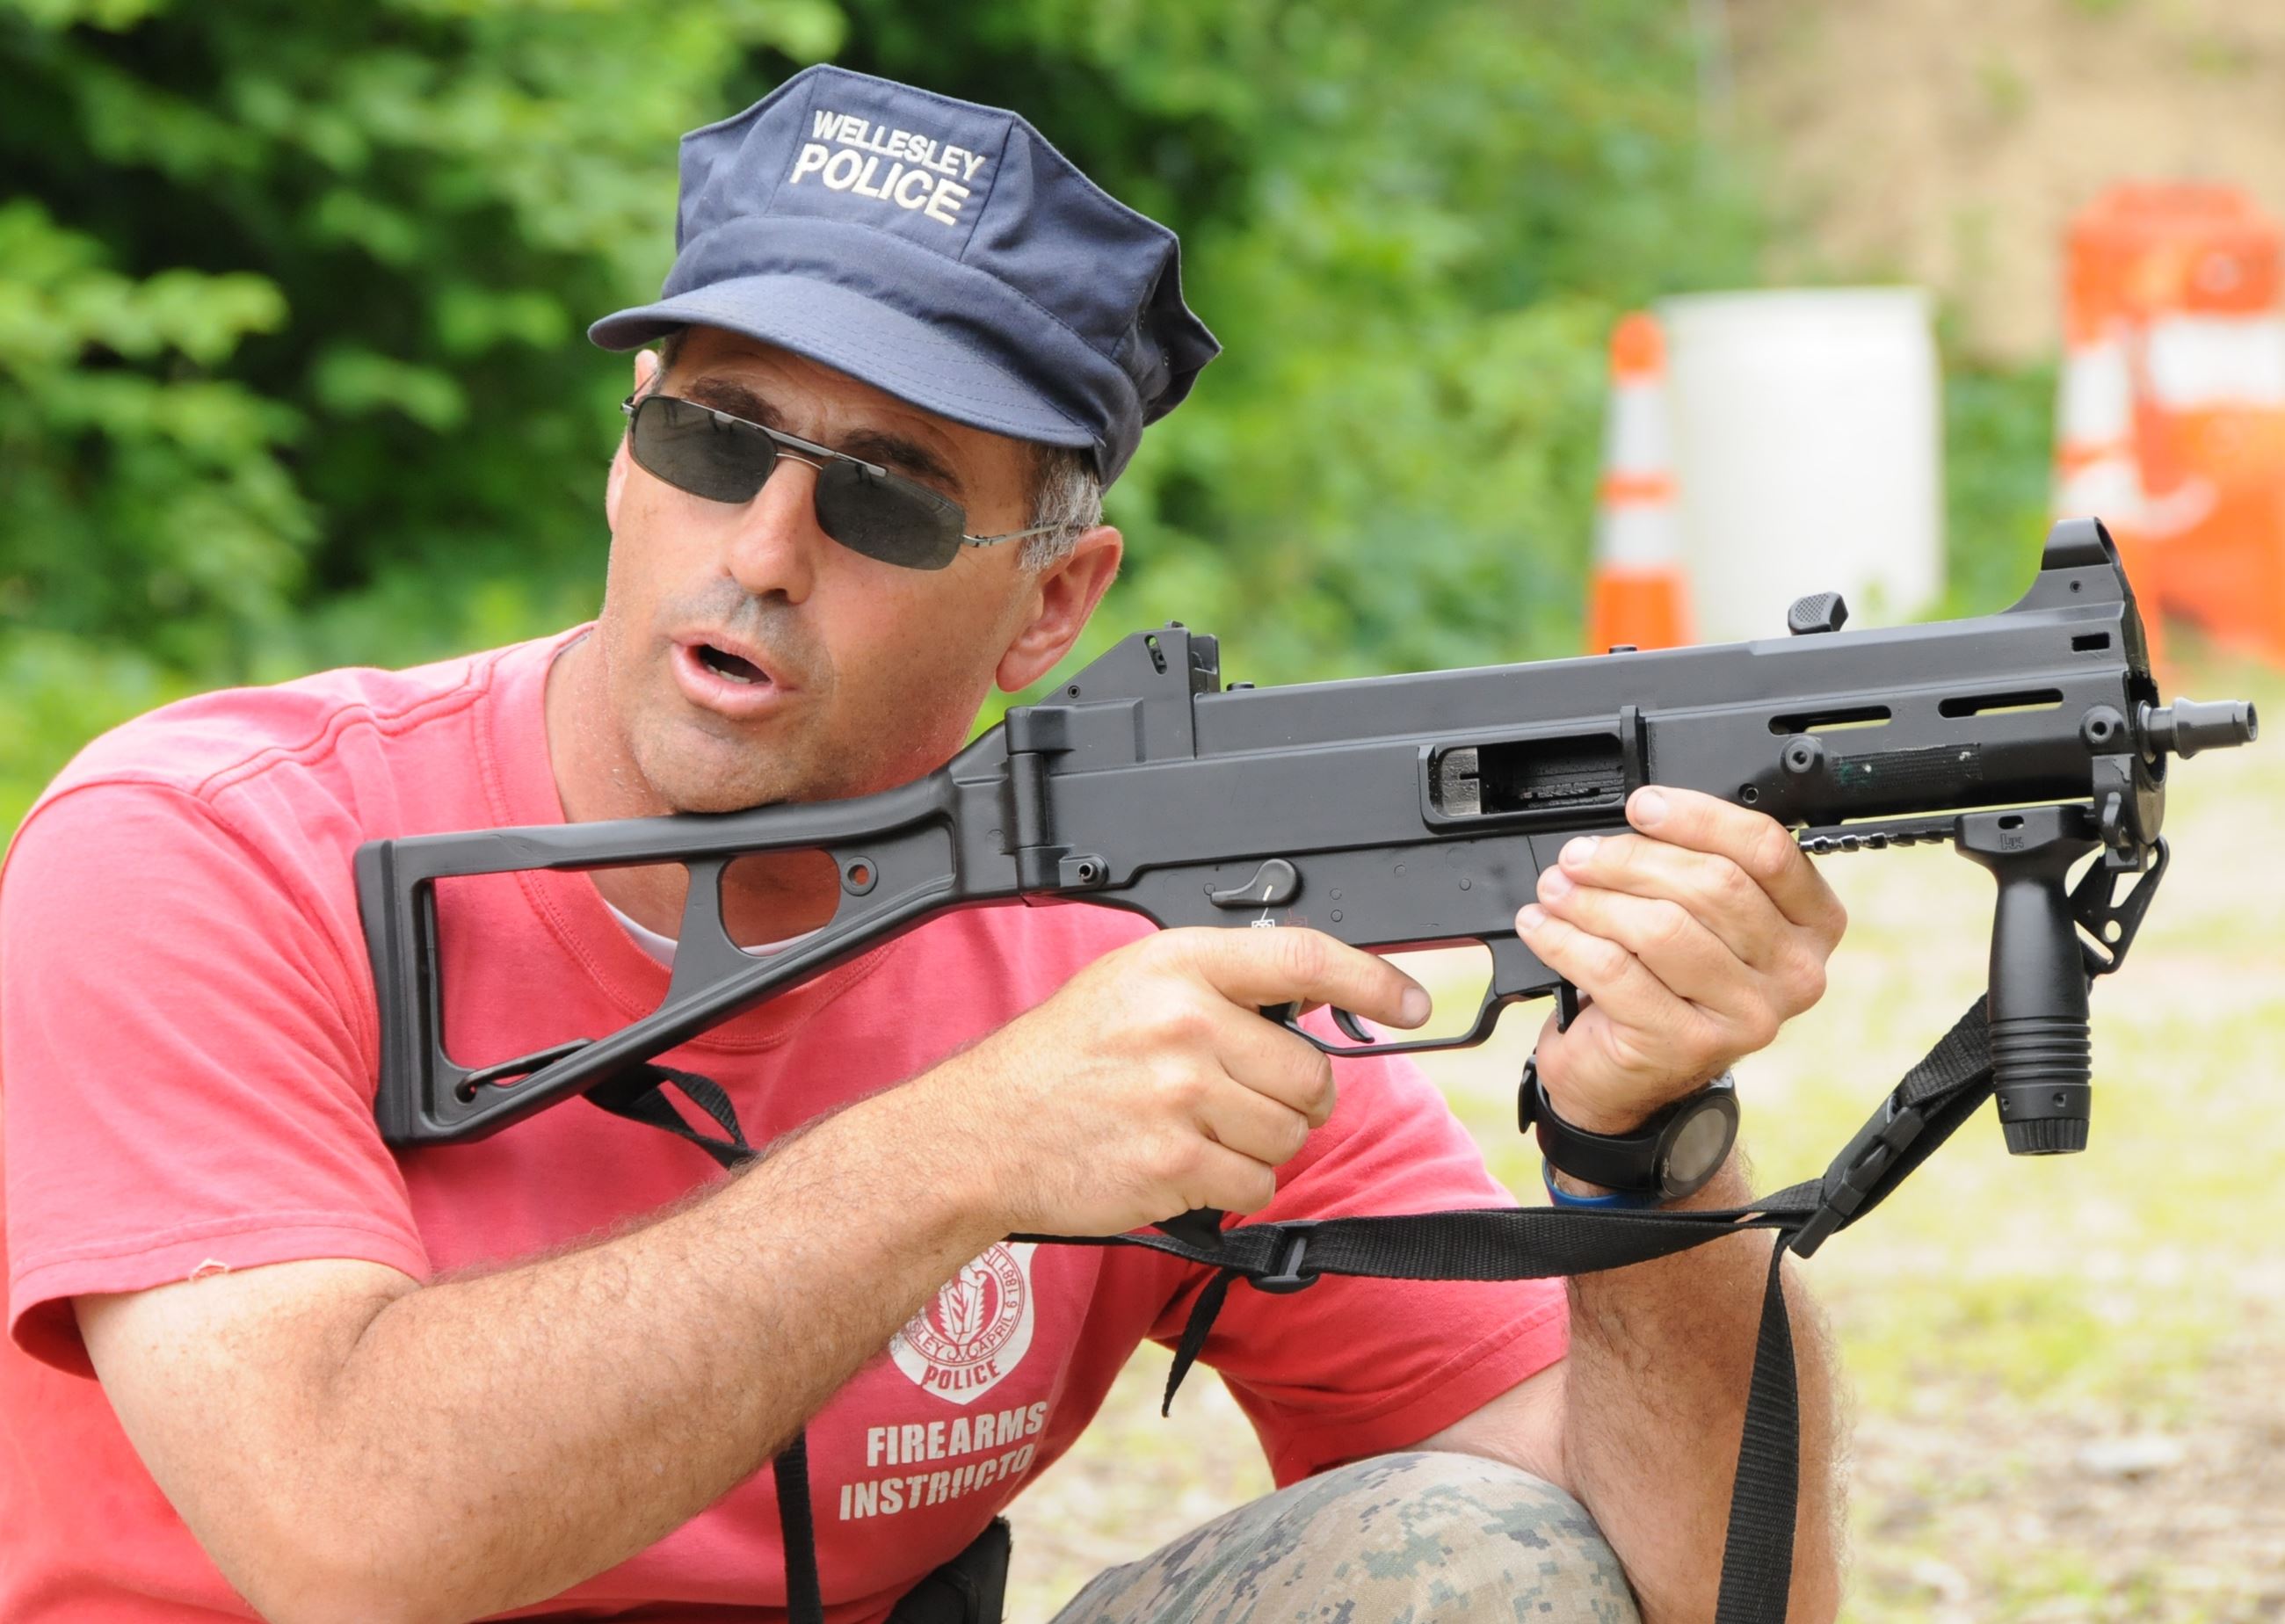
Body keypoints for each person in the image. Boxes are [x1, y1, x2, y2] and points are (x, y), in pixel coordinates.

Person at [0, 66, 1848, 1624]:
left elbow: (1676, 1579)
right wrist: (957, 1155)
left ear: (1051, 608)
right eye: (718, 443)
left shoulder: (1114, 919)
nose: (763, 547)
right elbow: (345, 1531)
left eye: (885, 496)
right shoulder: (212, 848)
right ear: (623, 462)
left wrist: (1648, 1150)